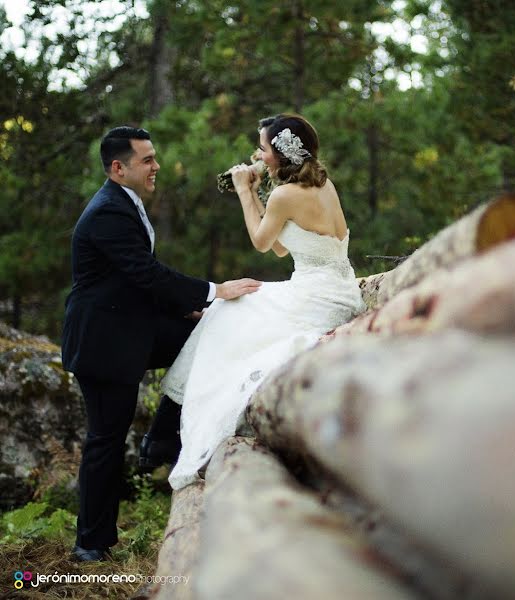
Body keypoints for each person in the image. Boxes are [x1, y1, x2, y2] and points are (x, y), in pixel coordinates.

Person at [61, 127, 261, 562]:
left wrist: (188, 312)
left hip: (132, 326)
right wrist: (215, 290)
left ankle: (164, 437)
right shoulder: (106, 214)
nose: (156, 167)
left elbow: (137, 279)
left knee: (206, 331)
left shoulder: (124, 203)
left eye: (154, 157)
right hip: (103, 343)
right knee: (106, 440)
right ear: (119, 168)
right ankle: (90, 544)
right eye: (147, 160)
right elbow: (146, 274)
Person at [162, 113, 366, 490]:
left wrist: (243, 190)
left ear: (281, 153)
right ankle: (165, 428)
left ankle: (169, 428)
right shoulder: (322, 184)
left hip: (315, 297)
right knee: (235, 304)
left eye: (262, 148)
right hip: (337, 290)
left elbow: (260, 243)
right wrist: (258, 194)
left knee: (227, 308)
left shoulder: (287, 195)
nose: (257, 154)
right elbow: (279, 248)